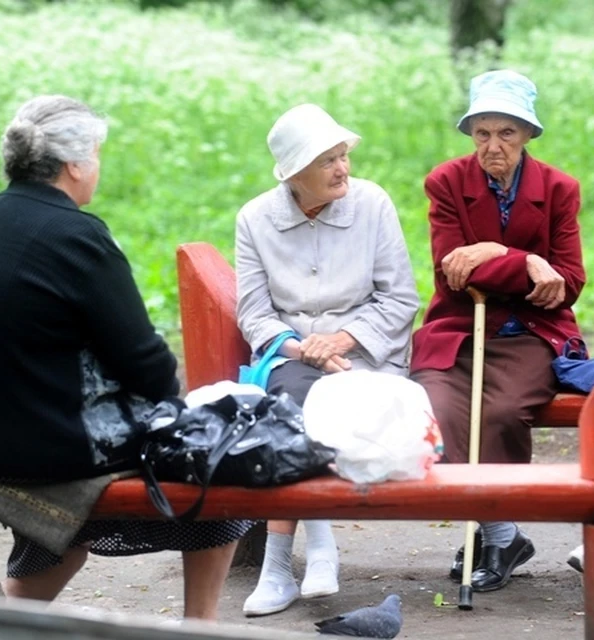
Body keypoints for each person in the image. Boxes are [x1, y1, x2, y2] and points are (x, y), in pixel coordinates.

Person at [0, 95, 252, 621]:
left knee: (66, 499)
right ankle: (200, 627)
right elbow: (146, 366)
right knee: (215, 470)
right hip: (44, 450)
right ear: (75, 164)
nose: (97, 167)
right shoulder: (78, 235)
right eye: (97, 154)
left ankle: (6, 621)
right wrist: (173, 405)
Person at [235, 103, 419, 616]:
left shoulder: (372, 204)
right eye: (328, 161)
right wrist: (301, 348)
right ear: (294, 174)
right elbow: (254, 313)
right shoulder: (255, 219)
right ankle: (316, 548)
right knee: (296, 397)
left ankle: (281, 566)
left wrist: (340, 340)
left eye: (343, 156)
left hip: (364, 354)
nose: (343, 169)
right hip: (291, 355)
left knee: (315, 402)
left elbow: (400, 299)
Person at [410, 69, 587, 593]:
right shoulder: (446, 182)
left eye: (506, 133)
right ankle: (501, 532)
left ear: (528, 134)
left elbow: (569, 281)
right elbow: (452, 271)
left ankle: (492, 531)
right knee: (437, 410)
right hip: (459, 331)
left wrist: (495, 254)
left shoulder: (559, 189)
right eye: (482, 132)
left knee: (503, 413)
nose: (493, 146)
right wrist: (528, 263)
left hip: (530, 333)